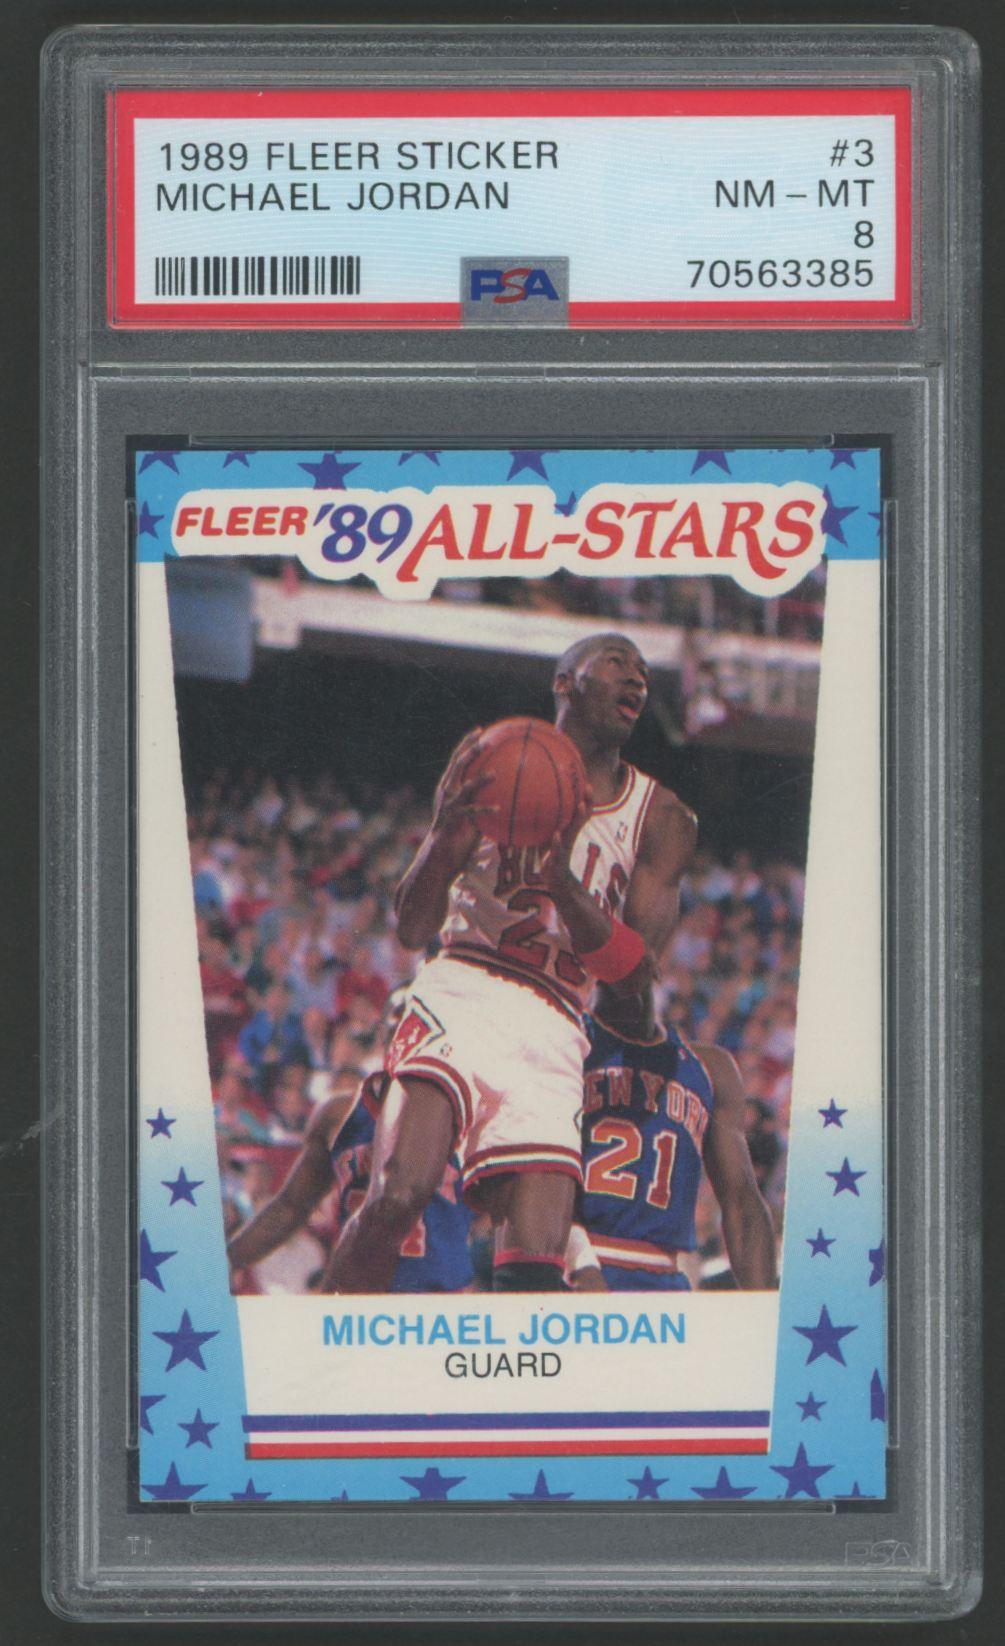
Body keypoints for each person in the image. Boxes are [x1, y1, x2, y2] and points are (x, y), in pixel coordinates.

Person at [322, 632, 697, 1294]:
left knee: (534, 1267)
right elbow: (412, 927)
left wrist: (564, 889)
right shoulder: (492, 763)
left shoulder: (661, 816)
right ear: (565, 681)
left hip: (557, 1022)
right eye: (616, 662)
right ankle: (317, 1344)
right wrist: (442, 838)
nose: (636, 677)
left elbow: (634, 975)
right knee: (398, 1194)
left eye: (642, 670)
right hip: (462, 988)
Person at [566, 985, 776, 1292]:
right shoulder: (570, 1042)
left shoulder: (708, 1066)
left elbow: (742, 1204)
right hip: (575, 1264)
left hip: (662, 1274)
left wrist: (766, 1310)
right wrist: (580, 1262)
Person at [227, 1070, 474, 1295]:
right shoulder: (339, 1114)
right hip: (361, 1294)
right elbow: (291, 1206)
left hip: (439, 1297)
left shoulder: (468, 1116)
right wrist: (226, 1262)